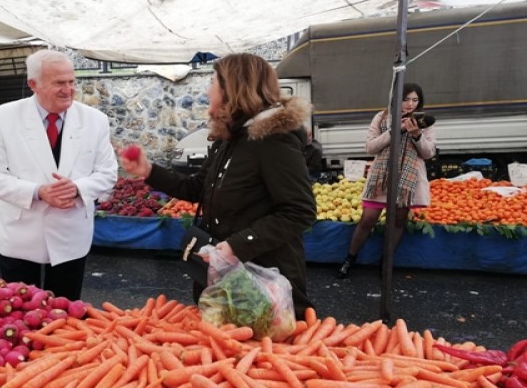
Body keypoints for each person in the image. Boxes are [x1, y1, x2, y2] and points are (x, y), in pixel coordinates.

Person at [120, 53, 317, 318]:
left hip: (262, 284)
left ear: (232, 89)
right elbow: (196, 188)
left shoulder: (273, 140)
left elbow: (299, 210)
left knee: (259, 356)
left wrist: (238, 244)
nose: (206, 90)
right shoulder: (231, 138)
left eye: (212, 82)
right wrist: (149, 171)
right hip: (226, 280)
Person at [0, 50, 117, 300]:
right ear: (34, 84)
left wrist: (76, 188)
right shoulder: (1, 118)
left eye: (72, 82)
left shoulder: (95, 120)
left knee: (65, 314)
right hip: (21, 235)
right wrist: (37, 191)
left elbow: (107, 173)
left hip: (71, 234)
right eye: (59, 83)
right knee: (18, 312)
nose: (68, 90)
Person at [336, 83, 436, 279]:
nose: (410, 104)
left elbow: (428, 153)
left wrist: (416, 135)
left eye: (415, 100)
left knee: (398, 221)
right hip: (381, 177)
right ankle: (349, 259)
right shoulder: (382, 117)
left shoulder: (425, 121)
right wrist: (394, 131)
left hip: (407, 179)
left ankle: (386, 263)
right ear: (396, 98)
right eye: (406, 99)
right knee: (368, 218)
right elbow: (370, 147)